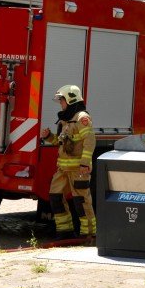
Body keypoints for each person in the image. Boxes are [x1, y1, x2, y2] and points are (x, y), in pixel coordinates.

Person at [40, 85, 96, 239]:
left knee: (81, 201)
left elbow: (90, 141)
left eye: (62, 100)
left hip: (78, 170)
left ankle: (88, 234)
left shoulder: (81, 118)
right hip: (63, 170)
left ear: (71, 99)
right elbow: (61, 143)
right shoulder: (65, 120)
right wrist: (49, 137)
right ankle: (65, 230)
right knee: (55, 196)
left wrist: (85, 163)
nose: (60, 103)